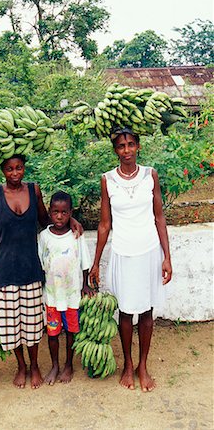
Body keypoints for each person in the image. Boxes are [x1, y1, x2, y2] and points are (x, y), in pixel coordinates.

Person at [0, 155, 83, 389]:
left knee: (31, 323)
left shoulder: (33, 191)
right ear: (2, 170)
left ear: (25, 168)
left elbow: (46, 220)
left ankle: (35, 365)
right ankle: (21, 366)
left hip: (31, 267)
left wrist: (73, 220)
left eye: (19, 168)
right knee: (11, 324)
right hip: (5, 268)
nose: (15, 173)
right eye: (9, 169)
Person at [90, 127, 172, 392]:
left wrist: (167, 257)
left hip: (149, 251)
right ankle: (127, 364)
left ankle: (143, 365)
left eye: (131, 145)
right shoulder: (108, 180)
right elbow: (104, 224)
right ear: (115, 150)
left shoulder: (150, 175)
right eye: (121, 146)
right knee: (125, 312)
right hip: (123, 253)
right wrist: (95, 262)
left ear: (138, 147)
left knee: (147, 310)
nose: (126, 151)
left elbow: (159, 217)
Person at [38, 191, 92, 385]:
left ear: (71, 213)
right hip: (52, 296)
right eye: (55, 212)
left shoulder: (76, 235)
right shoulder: (44, 237)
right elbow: (41, 262)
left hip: (71, 297)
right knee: (52, 333)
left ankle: (69, 364)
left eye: (64, 212)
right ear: (50, 212)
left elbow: (85, 262)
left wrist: (85, 285)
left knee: (71, 332)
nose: (59, 216)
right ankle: (55, 365)